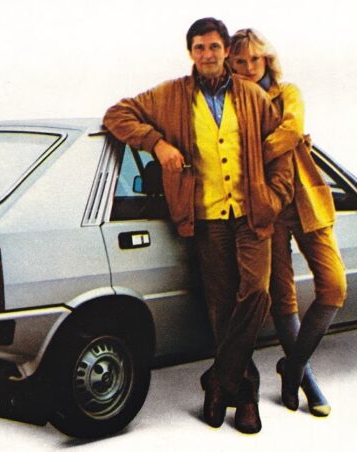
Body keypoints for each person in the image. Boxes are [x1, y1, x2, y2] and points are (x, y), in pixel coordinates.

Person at [103, 17, 294, 434]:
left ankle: (219, 380)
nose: (207, 55)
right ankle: (245, 395)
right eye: (199, 48)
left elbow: (281, 150)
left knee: (257, 292)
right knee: (221, 306)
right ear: (190, 52)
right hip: (207, 219)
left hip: (253, 214)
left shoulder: (252, 96)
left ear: (226, 51)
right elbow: (117, 114)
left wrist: (275, 196)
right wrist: (157, 144)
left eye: (214, 47)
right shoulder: (170, 95)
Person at [228, 28, 347, 417]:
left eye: (255, 59)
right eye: (240, 61)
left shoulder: (288, 92)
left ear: (267, 60)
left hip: (307, 200)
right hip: (268, 208)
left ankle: (292, 366)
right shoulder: (229, 105)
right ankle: (308, 382)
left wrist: (255, 154)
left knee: (334, 287)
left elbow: (292, 129)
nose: (249, 67)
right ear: (230, 65)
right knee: (283, 296)